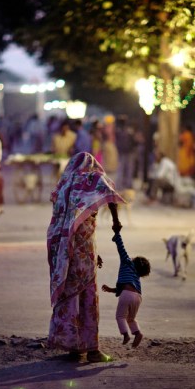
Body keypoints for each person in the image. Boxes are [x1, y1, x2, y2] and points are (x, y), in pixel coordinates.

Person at [46, 152, 125, 363]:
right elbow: (110, 193)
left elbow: (64, 222)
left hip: (65, 251)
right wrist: (115, 222)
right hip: (85, 250)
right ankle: (92, 349)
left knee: (70, 293)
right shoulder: (91, 180)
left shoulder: (64, 185)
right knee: (88, 294)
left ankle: (73, 347)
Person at [101, 213, 150, 348]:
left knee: (120, 317)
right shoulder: (136, 277)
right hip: (138, 297)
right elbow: (126, 288)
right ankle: (138, 333)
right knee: (131, 318)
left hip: (126, 295)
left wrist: (117, 235)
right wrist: (111, 289)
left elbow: (121, 248)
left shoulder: (127, 262)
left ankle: (126, 335)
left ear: (134, 260)